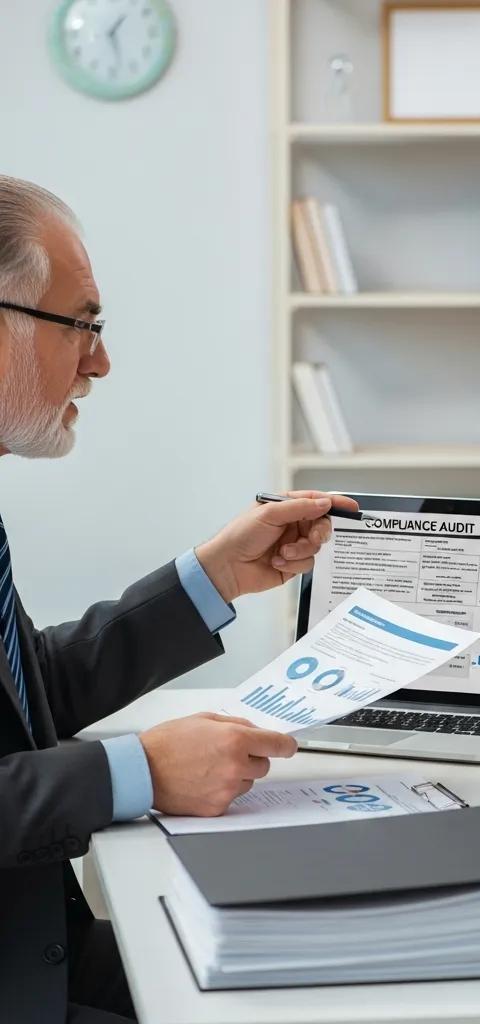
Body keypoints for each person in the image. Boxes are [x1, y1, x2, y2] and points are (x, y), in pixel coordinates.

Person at [0, 177, 353, 1023]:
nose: (100, 360)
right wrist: (142, 771)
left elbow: (23, 691)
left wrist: (214, 576)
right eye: (81, 324)